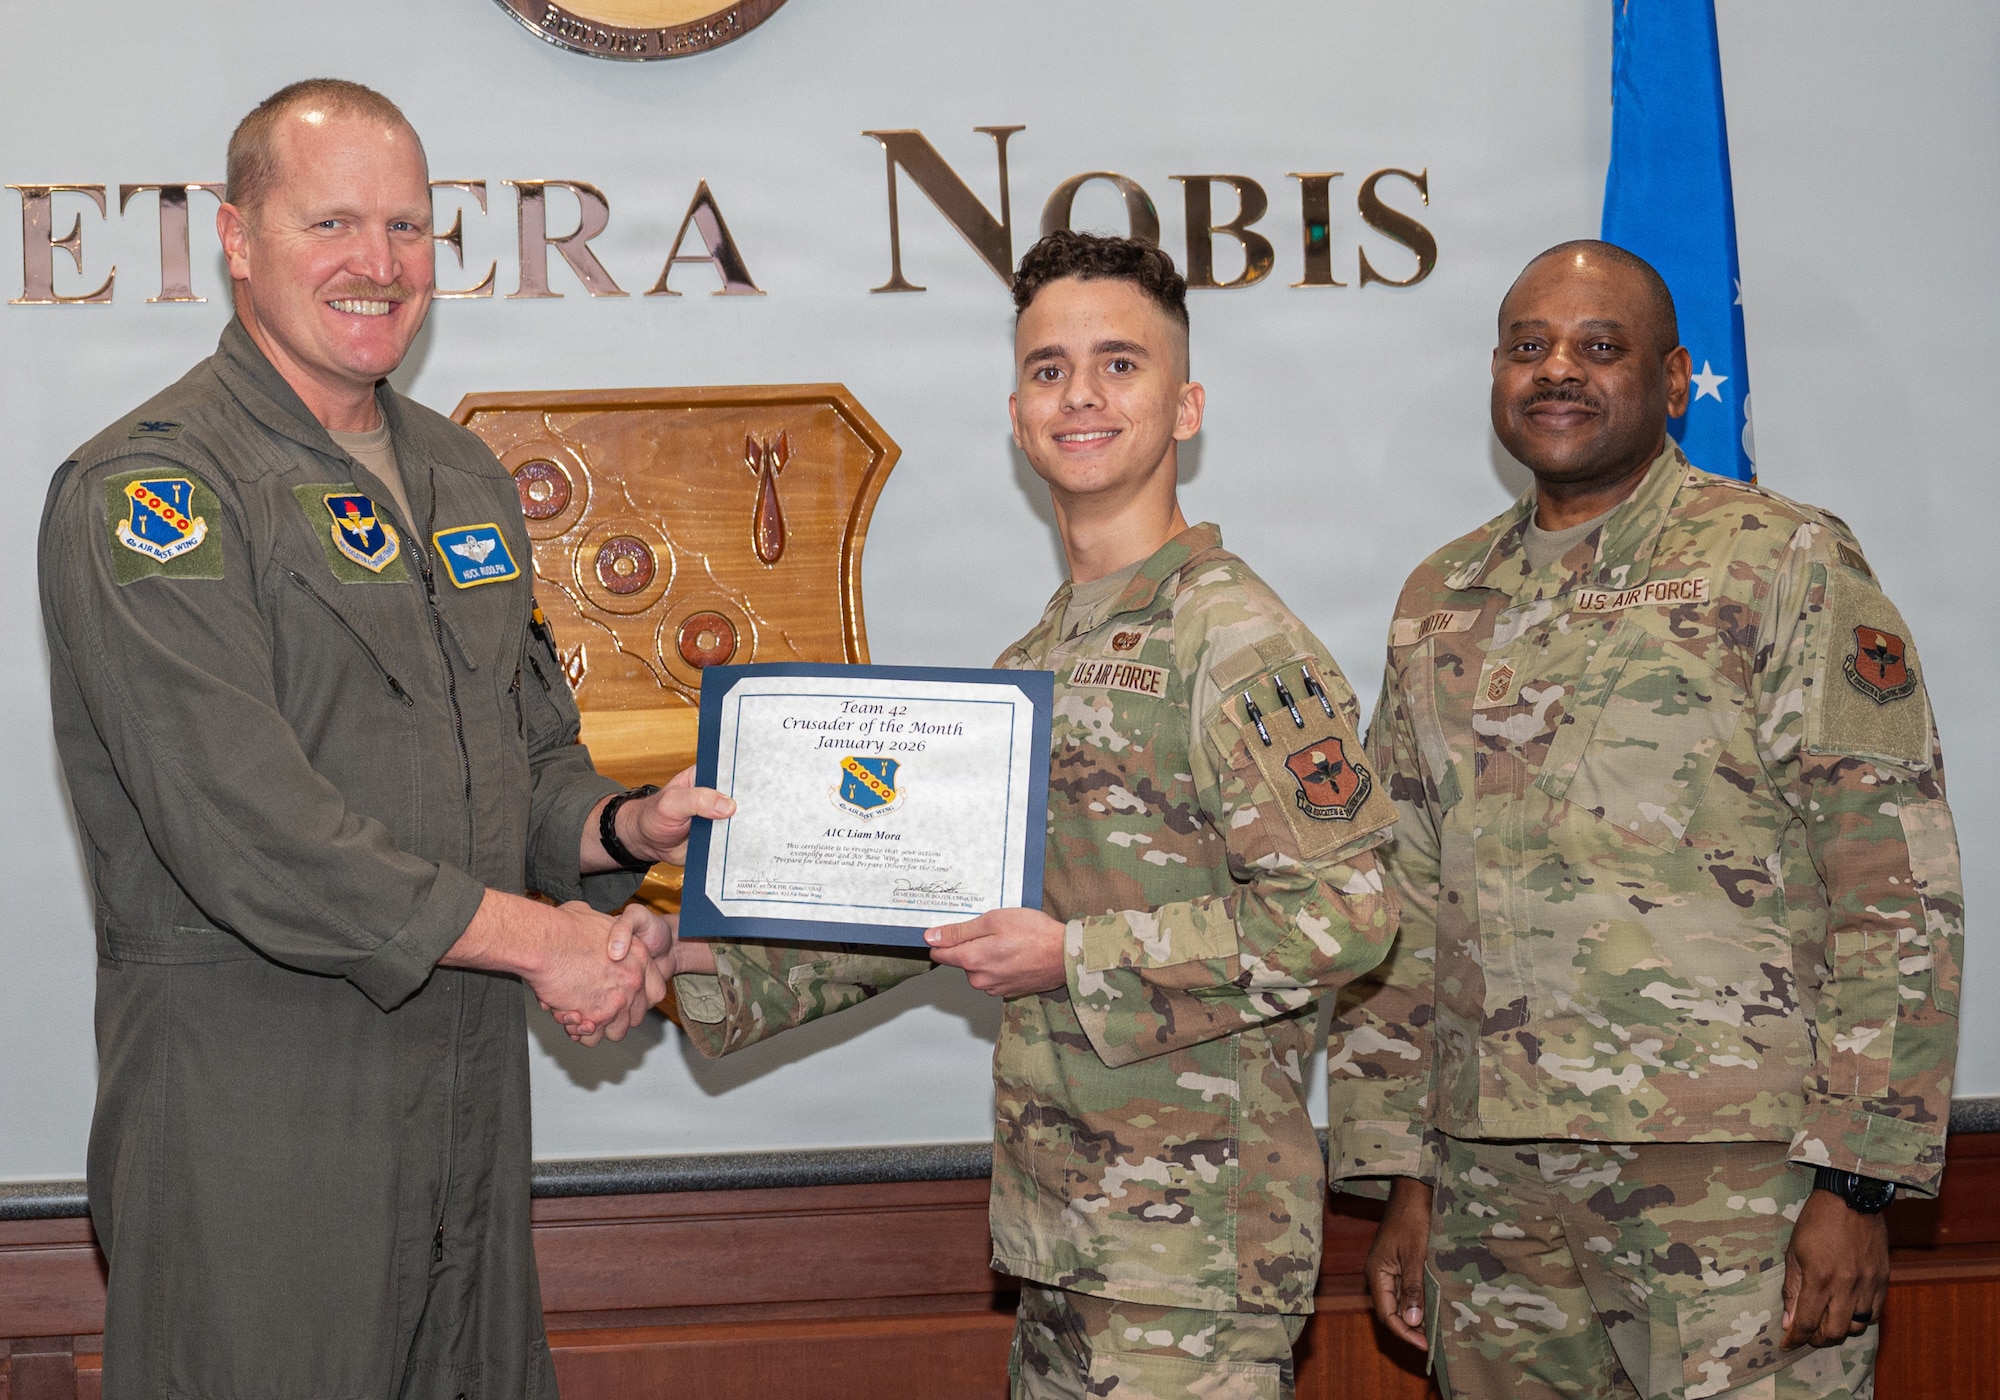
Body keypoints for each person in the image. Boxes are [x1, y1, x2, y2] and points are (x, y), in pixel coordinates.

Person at [37, 79, 729, 1400]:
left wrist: (622, 828)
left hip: (463, 1104)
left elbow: (525, 758)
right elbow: (249, 831)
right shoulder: (153, 491)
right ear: (237, 238)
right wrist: (551, 943)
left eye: (409, 229)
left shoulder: (458, 477)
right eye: (333, 224)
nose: (380, 266)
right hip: (260, 1117)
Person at [622, 230, 1400, 1399]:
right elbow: (927, 903)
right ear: (1015, 409)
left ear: (1184, 406)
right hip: (1063, 1233)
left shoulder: (1233, 640)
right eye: (1048, 368)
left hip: (1189, 1253)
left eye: (1118, 364)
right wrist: (689, 955)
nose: (1078, 393)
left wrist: (1071, 954)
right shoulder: (1037, 656)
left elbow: (1346, 911)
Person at [1326, 241, 1963, 1400]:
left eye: (1597, 347)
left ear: (1673, 380)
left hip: (1735, 1187)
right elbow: (1398, 900)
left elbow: (1893, 882)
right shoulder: (1440, 597)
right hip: (1492, 1192)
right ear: (1494, 374)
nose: (1556, 370)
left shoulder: (1781, 561)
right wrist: (1399, 1173)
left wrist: (1855, 1181)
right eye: (1529, 347)